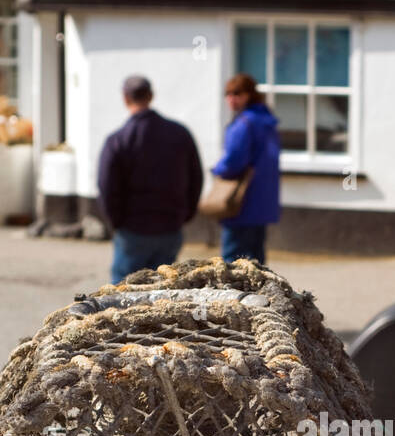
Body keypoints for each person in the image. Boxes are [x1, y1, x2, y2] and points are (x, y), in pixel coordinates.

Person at [98, 75, 204, 283]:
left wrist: (116, 221)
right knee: (161, 293)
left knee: (123, 294)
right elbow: (196, 178)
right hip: (170, 226)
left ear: (125, 98)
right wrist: (185, 214)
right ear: (151, 96)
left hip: (133, 228)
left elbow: (106, 186)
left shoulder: (118, 140)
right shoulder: (180, 134)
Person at [207, 73, 280, 265]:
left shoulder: (244, 124)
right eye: (228, 94)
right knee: (257, 262)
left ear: (249, 95)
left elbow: (233, 162)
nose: (231, 99)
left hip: (241, 203)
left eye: (237, 93)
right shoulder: (267, 121)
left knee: (232, 262)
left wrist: (217, 170)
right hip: (263, 201)